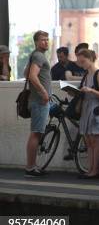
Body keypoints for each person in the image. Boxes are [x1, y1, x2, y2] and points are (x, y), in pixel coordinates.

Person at [76, 49, 99, 179]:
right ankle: (90, 169)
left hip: (95, 108)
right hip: (86, 108)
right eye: (80, 62)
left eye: (83, 61)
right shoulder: (86, 75)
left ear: (90, 59)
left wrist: (91, 90)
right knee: (88, 141)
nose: (81, 64)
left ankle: (95, 170)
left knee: (95, 140)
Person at [24, 31, 52, 177]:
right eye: (42, 40)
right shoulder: (39, 56)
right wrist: (43, 92)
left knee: (36, 132)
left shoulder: (35, 55)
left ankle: (31, 166)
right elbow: (32, 76)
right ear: (36, 42)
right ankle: (30, 168)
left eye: (47, 39)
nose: (46, 42)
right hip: (40, 101)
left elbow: (25, 73)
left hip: (37, 100)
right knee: (36, 133)